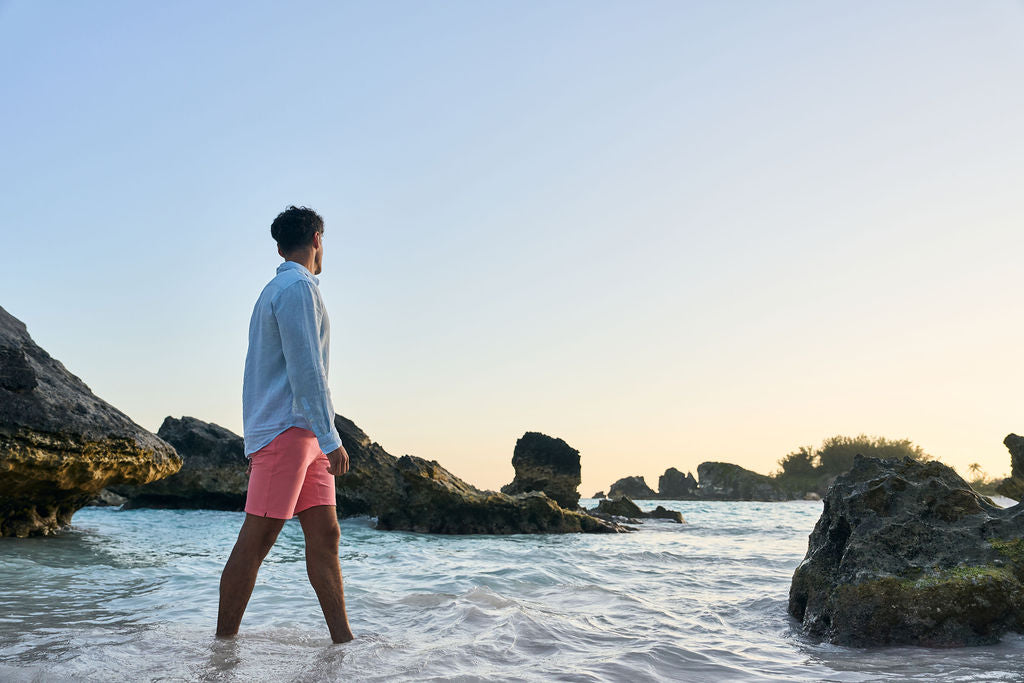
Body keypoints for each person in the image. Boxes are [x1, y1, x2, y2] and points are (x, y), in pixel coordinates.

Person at [216, 205, 354, 643]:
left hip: (304, 431)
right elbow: (305, 368)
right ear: (317, 240)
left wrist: (321, 435)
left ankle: (343, 642)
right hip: (287, 431)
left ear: (279, 247)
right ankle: (222, 648)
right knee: (258, 539)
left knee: (326, 534)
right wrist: (331, 437)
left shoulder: (287, 288)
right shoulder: (295, 288)